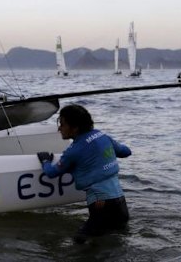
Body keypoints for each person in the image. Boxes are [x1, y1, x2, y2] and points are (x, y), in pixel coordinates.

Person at [37, 104, 131, 243]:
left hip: (101, 206)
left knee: (80, 243)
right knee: (115, 245)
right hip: (121, 204)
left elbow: (51, 173)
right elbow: (126, 152)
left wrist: (45, 161)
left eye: (62, 124)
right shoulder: (103, 136)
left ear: (75, 128)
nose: (59, 128)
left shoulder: (74, 151)